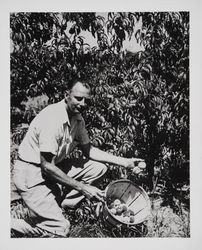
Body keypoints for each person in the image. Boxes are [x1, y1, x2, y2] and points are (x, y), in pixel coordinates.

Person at [11, 79, 145, 237]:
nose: (82, 103)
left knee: (99, 168)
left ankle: (62, 205)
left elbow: (89, 150)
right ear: (66, 95)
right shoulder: (53, 119)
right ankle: (12, 225)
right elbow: (46, 166)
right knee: (61, 229)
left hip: (53, 167)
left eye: (86, 100)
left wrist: (126, 162)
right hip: (31, 173)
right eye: (78, 98)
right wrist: (83, 187)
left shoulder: (77, 118)